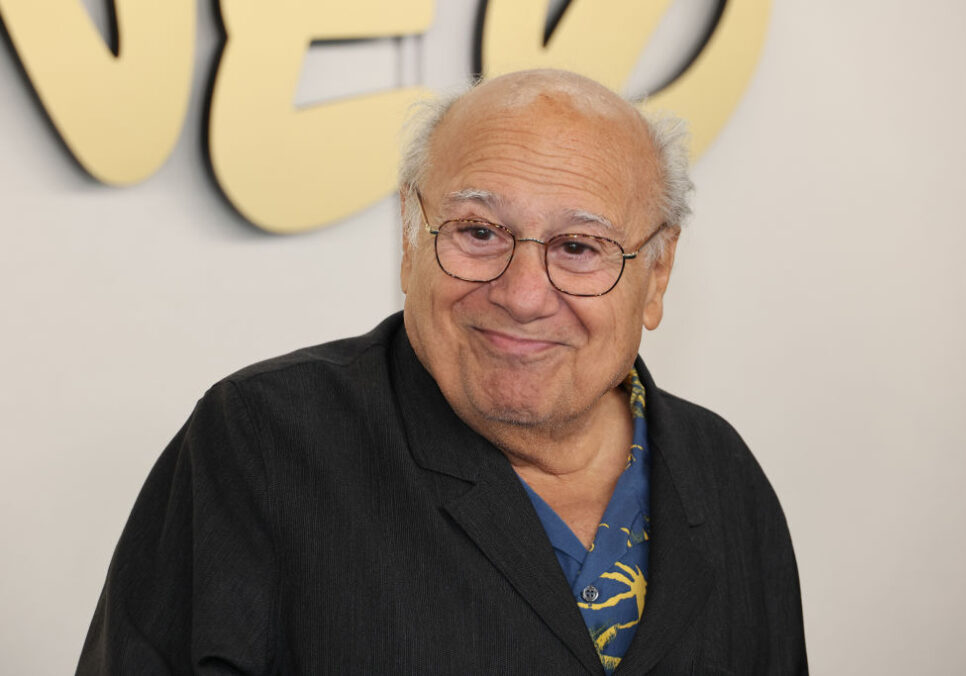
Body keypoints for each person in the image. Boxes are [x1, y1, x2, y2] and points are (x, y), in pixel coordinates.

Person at [77, 69, 807, 675]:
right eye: (479, 232)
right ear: (408, 236)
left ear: (658, 271)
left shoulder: (721, 473)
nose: (523, 294)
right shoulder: (262, 444)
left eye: (580, 247)